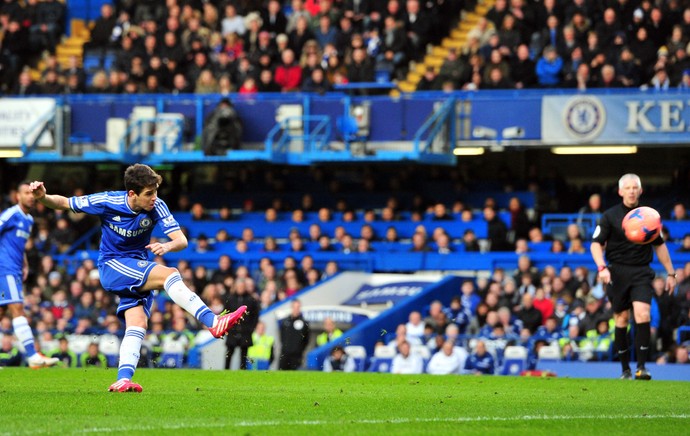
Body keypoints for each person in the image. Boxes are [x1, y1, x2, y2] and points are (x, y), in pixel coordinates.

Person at [29, 164, 247, 392]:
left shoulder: (157, 206)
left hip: (136, 267)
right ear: (132, 194)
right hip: (113, 265)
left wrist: (168, 245)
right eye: (149, 194)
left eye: (155, 192)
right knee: (169, 274)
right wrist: (43, 197)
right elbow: (64, 203)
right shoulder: (107, 201)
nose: (154, 198)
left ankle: (123, 379)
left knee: (138, 324)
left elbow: (181, 240)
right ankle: (212, 322)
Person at [590, 173, 676, 380]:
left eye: (634, 187)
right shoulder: (609, 216)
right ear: (620, 191)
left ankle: (642, 367)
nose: (631, 191)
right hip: (617, 272)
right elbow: (595, 244)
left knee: (643, 314)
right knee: (621, 319)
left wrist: (671, 273)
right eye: (627, 188)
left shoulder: (649, 216)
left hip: (641, 271)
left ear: (640, 190)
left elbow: (660, 246)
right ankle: (625, 369)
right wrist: (602, 267)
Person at [0, 181, 59, 369]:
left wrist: (24, 262)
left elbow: (19, 245)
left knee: (1, 312)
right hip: (5, 268)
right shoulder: (11, 214)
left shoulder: (29, 220)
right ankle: (33, 355)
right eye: (26, 193)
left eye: (32, 193)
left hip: (15, 268)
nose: (31, 196)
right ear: (18, 196)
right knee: (17, 308)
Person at [279, 299, 310, 370]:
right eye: (294, 307)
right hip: (285, 353)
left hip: (297, 355)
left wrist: (300, 349)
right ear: (291, 307)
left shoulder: (304, 323)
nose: (296, 309)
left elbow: (306, 339)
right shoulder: (285, 321)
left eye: (298, 307)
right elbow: (282, 336)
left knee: (294, 376)